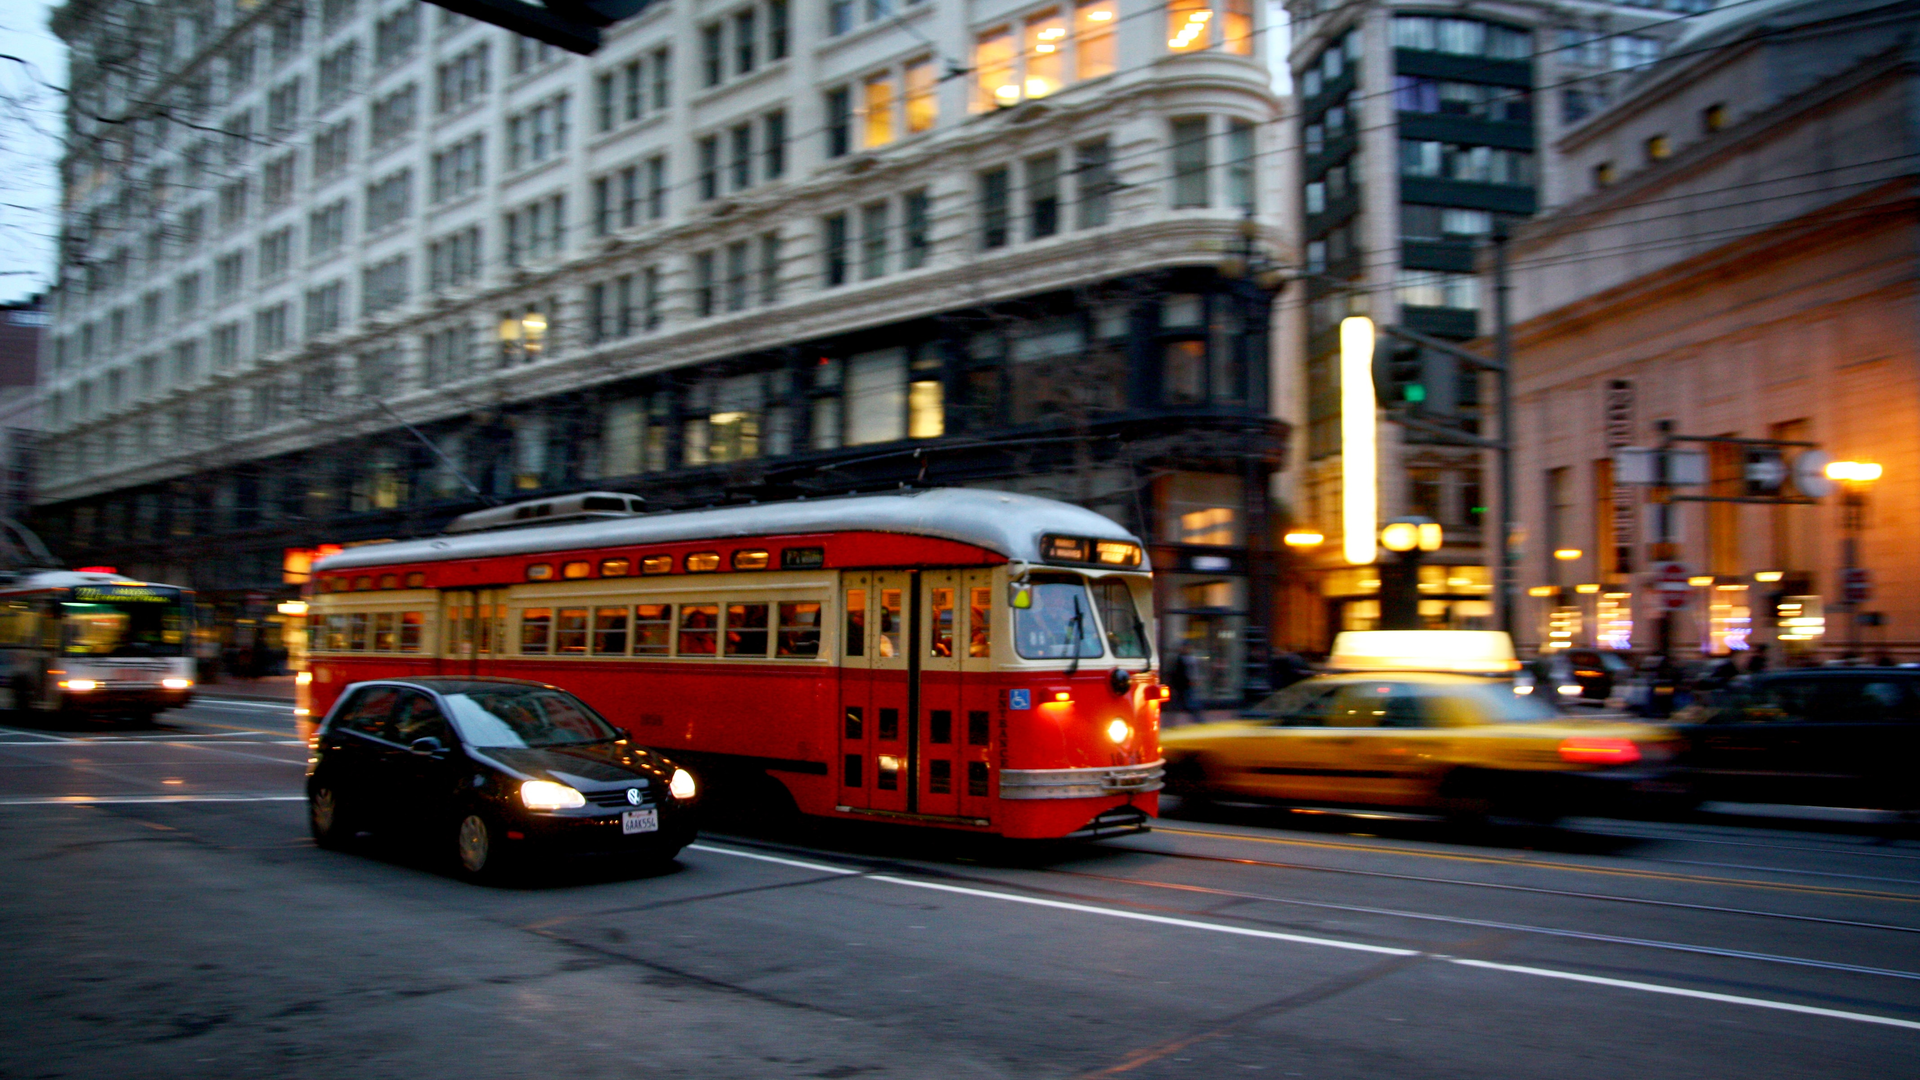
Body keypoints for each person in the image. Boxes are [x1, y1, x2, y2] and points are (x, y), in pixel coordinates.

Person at [1164, 644, 1199, 726]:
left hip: (1182, 685)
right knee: (1189, 703)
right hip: (1183, 685)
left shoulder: (1181, 659)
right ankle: (1198, 720)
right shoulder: (1183, 659)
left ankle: (1169, 723)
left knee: (1180, 704)